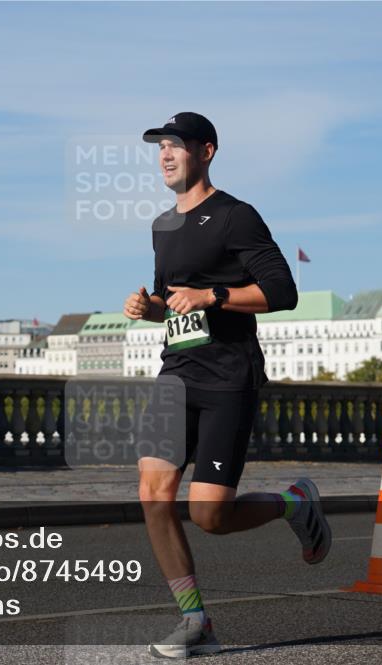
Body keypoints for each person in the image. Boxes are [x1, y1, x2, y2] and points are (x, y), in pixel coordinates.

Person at [122, 112, 332, 658]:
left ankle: (294, 503)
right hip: (177, 372)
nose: (166, 155)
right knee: (153, 495)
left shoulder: (236, 216)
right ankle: (196, 622)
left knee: (210, 515)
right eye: (160, 146)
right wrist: (150, 310)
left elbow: (284, 292)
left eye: (176, 145)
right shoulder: (162, 226)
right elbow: (176, 303)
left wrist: (214, 297)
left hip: (228, 376)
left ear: (206, 151)